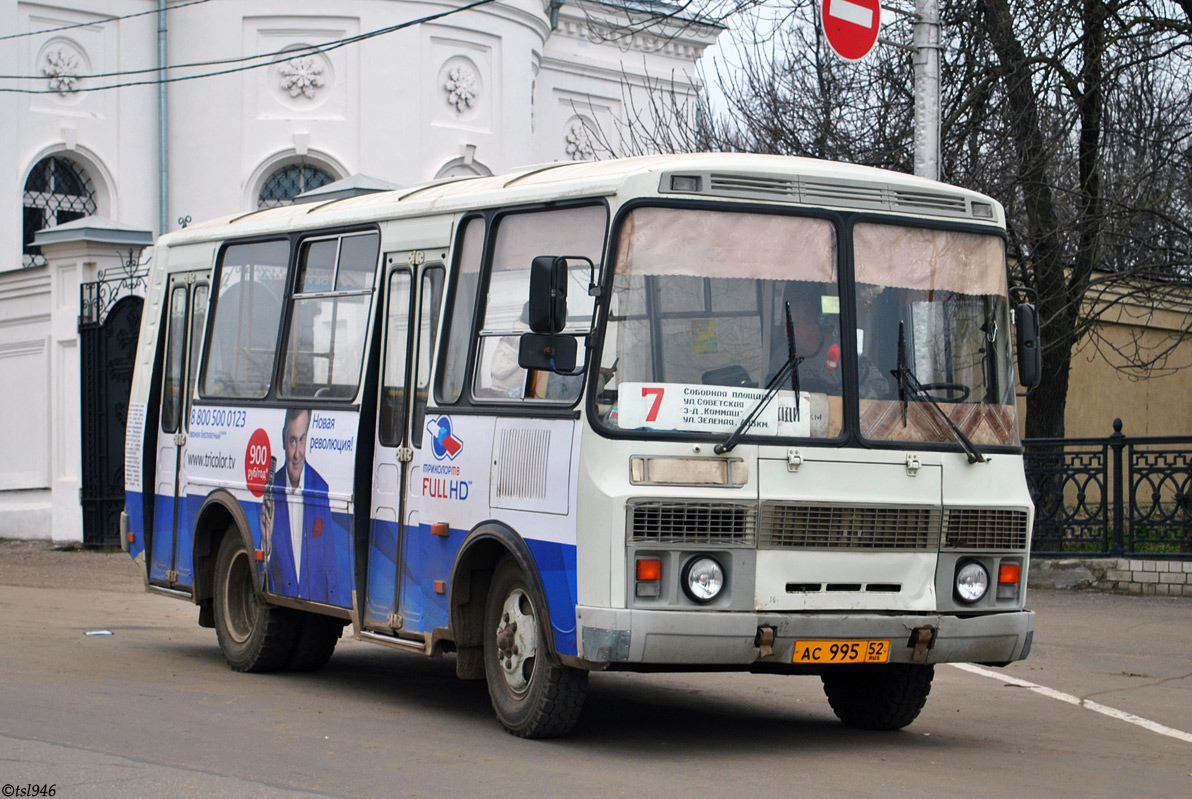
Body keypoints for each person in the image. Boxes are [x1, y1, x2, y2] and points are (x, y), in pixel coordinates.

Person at [260, 408, 346, 605]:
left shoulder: (320, 488)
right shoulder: (271, 491)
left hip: (315, 606)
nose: (297, 453)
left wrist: (334, 610)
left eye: (302, 440)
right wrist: (266, 545)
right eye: (292, 441)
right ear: (283, 440)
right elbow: (261, 573)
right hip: (281, 605)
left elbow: (330, 563)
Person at [767, 285, 890, 399]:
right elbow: (773, 397)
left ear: (813, 327)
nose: (786, 332)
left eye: (792, 325)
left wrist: (847, 400)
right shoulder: (781, 359)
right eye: (784, 326)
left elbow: (881, 386)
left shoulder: (844, 352)